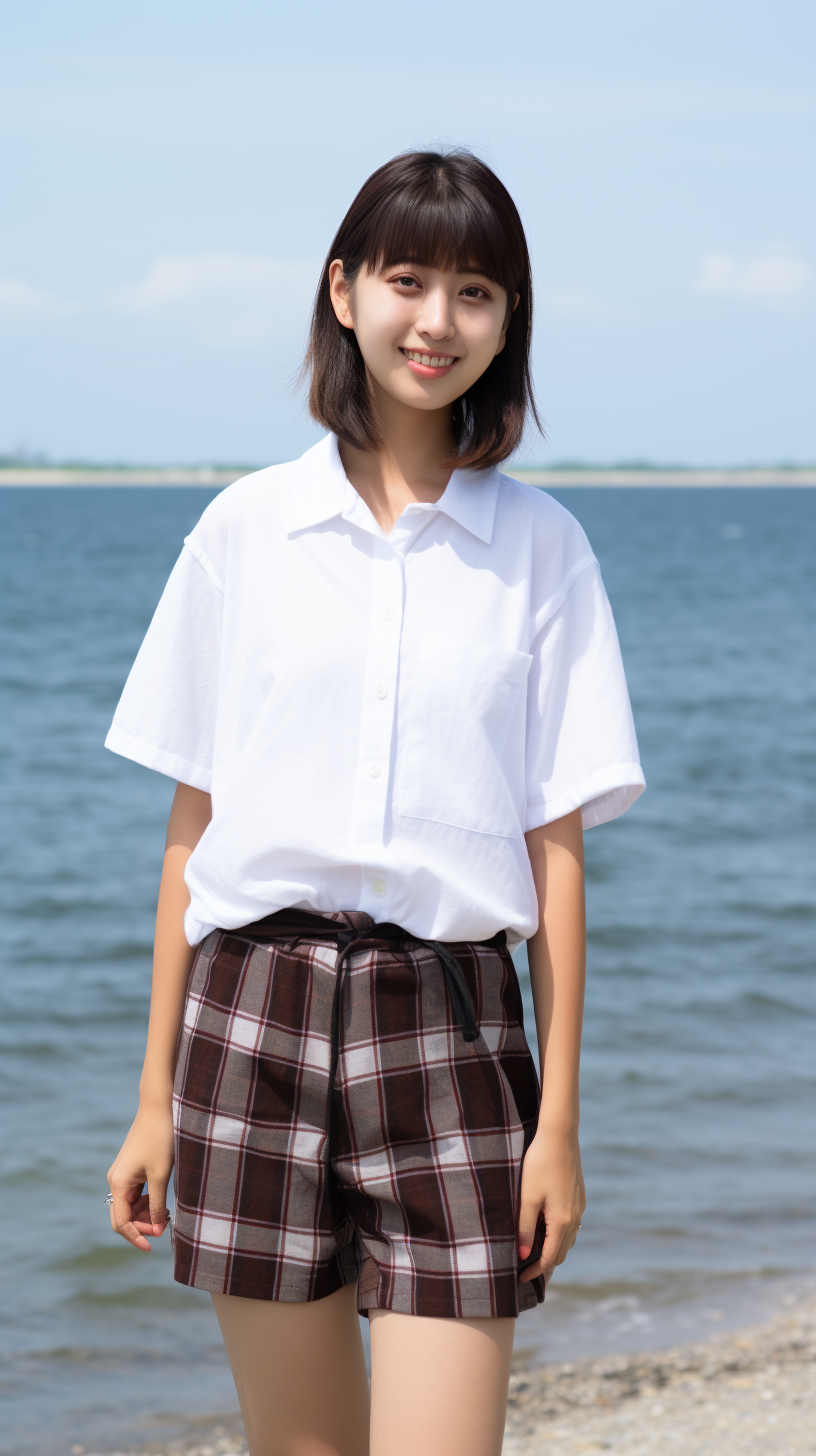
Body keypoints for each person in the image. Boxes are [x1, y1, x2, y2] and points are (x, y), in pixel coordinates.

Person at [104, 149, 644, 1456]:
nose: (437, 321)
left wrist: (556, 1126)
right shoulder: (245, 531)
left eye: (476, 291)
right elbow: (195, 830)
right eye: (408, 280)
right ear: (343, 292)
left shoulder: (543, 552)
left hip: (454, 1035)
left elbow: (555, 858)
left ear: (508, 325)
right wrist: (150, 1097)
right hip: (252, 1016)